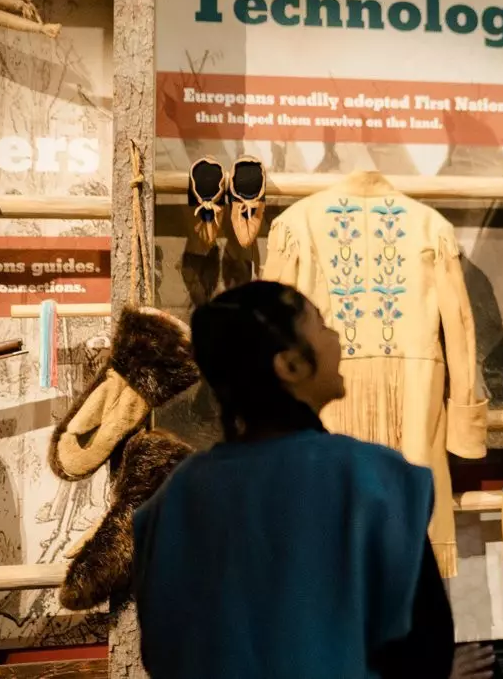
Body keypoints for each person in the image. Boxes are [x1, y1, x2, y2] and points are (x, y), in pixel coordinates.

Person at [132, 281, 455, 679]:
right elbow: (425, 654)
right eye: (320, 325)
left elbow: (160, 649)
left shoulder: (176, 494)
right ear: (290, 365)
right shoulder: (371, 478)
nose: (336, 336)